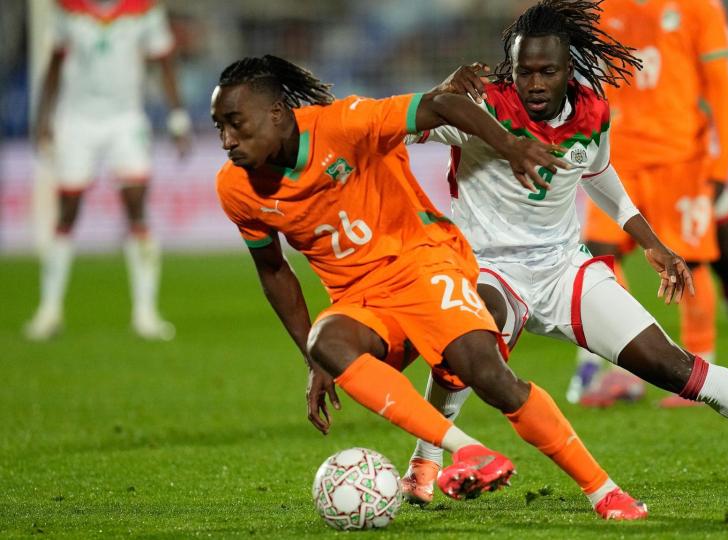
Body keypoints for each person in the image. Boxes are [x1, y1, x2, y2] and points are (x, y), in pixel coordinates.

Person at [400, 0, 728, 511]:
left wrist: (651, 241)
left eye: (547, 72)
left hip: (563, 271)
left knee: (677, 368)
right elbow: (391, 127)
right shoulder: (479, 106)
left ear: (569, 69)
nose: (534, 84)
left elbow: (600, 176)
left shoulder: (592, 111)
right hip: (488, 267)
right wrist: (440, 94)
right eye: (524, 71)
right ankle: (426, 460)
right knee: (475, 333)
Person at [212, 54, 648, 519]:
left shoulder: (344, 124)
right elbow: (275, 272)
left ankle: (605, 492)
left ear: (277, 113)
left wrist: (509, 145)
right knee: (327, 340)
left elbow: (441, 105)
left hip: (425, 262)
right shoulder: (236, 189)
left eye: (236, 124)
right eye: (219, 127)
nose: (226, 140)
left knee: (487, 375)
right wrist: (313, 359)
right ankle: (469, 451)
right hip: (363, 301)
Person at [572, 23, 728, 407]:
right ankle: (618, 367)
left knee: (723, 260)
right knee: (597, 255)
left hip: (692, 159)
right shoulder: (604, 11)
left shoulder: (702, 12)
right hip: (626, 155)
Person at [25, 0, 191, 341]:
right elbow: (55, 63)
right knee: (68, 209)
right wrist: (43, 117)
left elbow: (164, 61)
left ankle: (145, 312)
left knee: (136, 205)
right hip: (76, 120)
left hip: (125, 119)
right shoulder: (67, 8)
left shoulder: (144, 8)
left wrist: (177, 116)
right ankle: (49, 309)